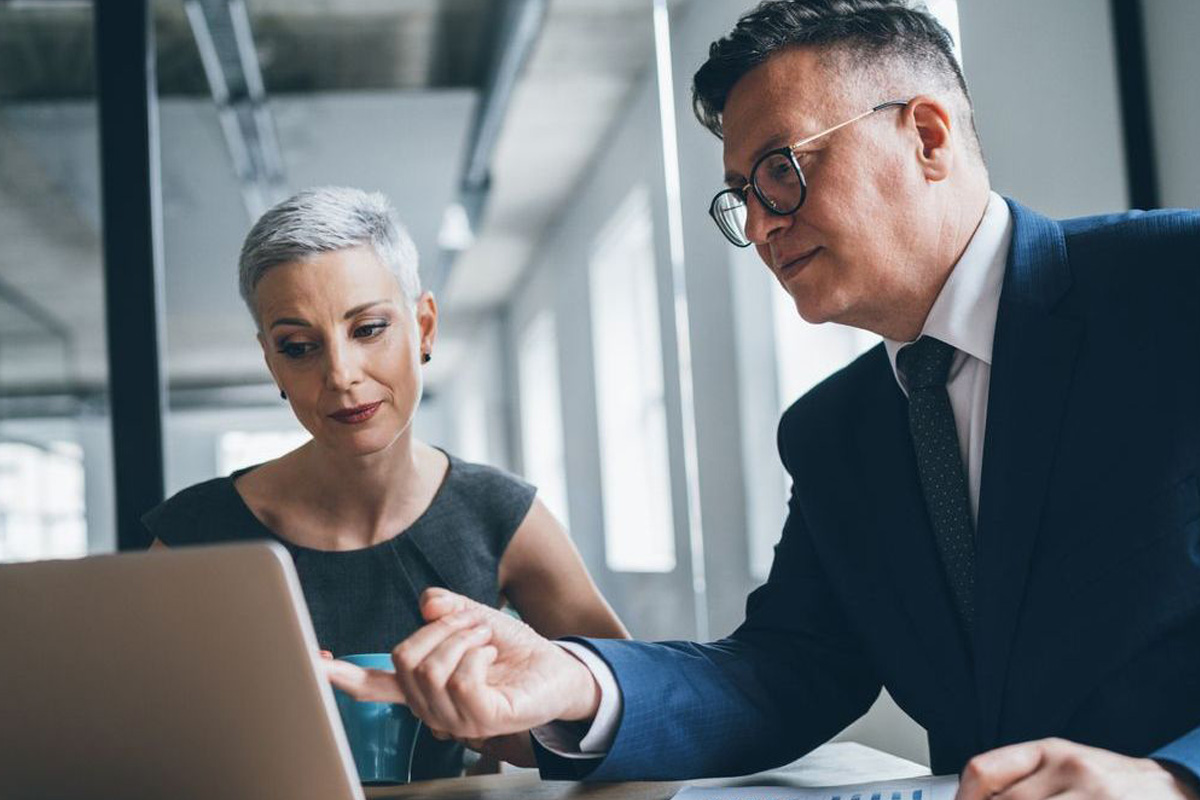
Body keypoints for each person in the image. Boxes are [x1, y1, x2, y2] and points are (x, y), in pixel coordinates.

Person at [326, 2, 1200, 797]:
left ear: (928, 137)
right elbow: (790, 666)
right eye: (740, 195)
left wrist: (1171, 780)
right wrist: (574, 682)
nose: (756, 225)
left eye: (780, 171)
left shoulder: (1174, 287)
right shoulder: (834, 431)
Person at [143, 186, 628, 779]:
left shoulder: (499, 512)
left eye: (368, 328)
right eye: (299, 347)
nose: (341, 375)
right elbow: (125, 739)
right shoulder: (196, 532)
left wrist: (498, 725)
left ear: (424, 327)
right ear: (273, 364)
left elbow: (629, 723)